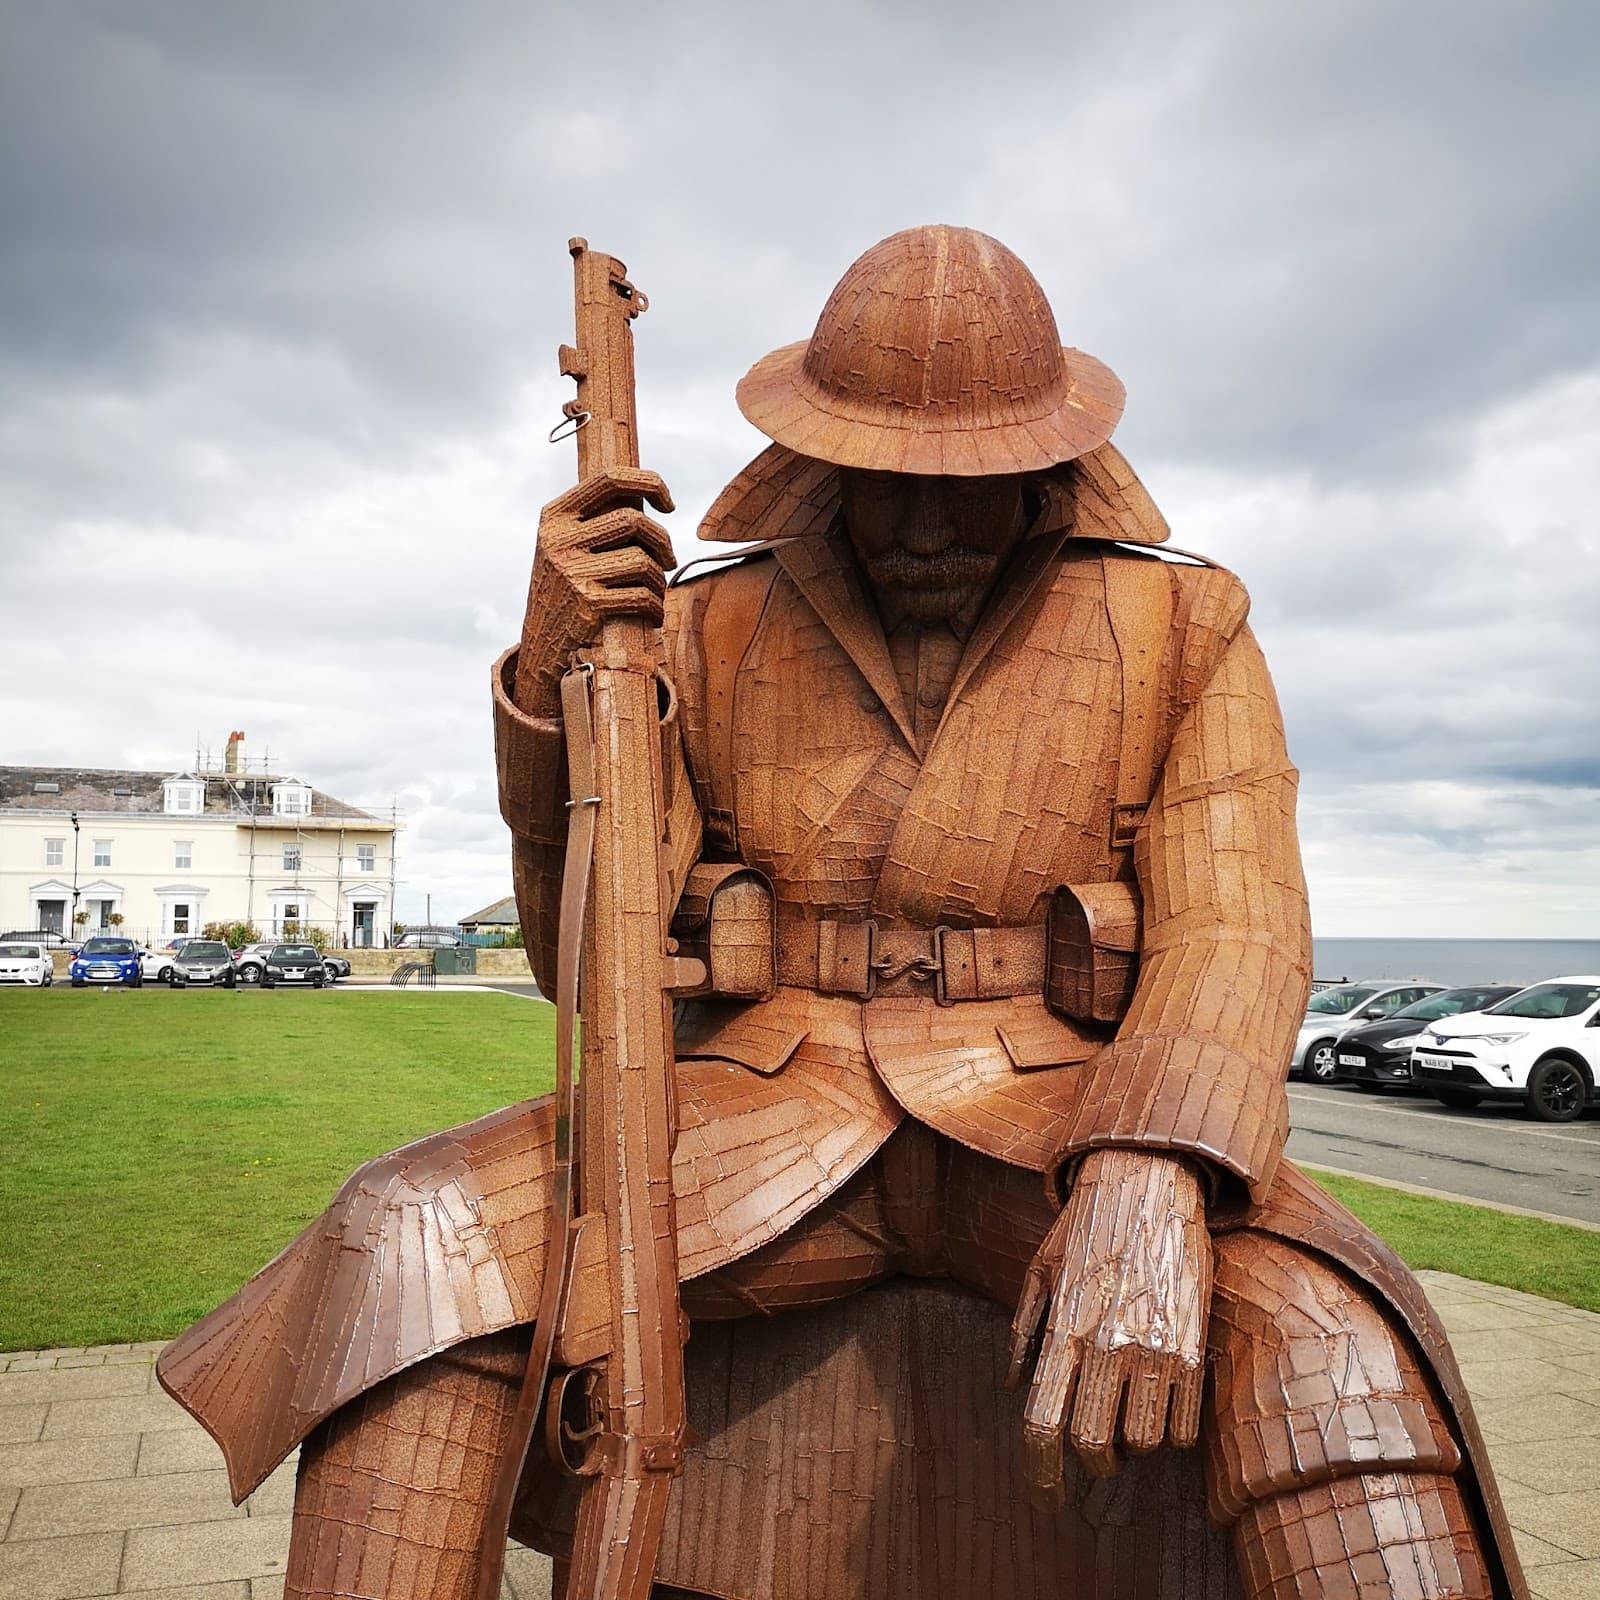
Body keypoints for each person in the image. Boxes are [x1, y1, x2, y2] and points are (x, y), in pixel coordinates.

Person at [159, 226, 1524, 1600]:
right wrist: (557, 676)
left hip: (1057, 1123)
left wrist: (1152, 1169)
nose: (928, 529)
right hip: (769, 1113)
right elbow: (592, 956)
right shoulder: (701, 624)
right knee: (413, 1236)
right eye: (888, 486)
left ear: (1045, 463)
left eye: (970, 489)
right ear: (824, 461)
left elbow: (1237, 927)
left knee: (1330, 1345)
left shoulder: (1183, 625)